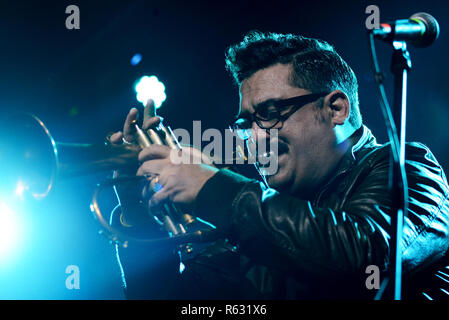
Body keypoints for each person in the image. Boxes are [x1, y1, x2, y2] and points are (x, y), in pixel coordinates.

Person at [109, 31, 449, 299]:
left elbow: (365, 255)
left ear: (336, 109)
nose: (253, 138)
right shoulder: (260, 223)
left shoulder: (407, 168)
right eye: (245, 124)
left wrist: (212, 187)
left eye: (269, 114)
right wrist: (139, 209)